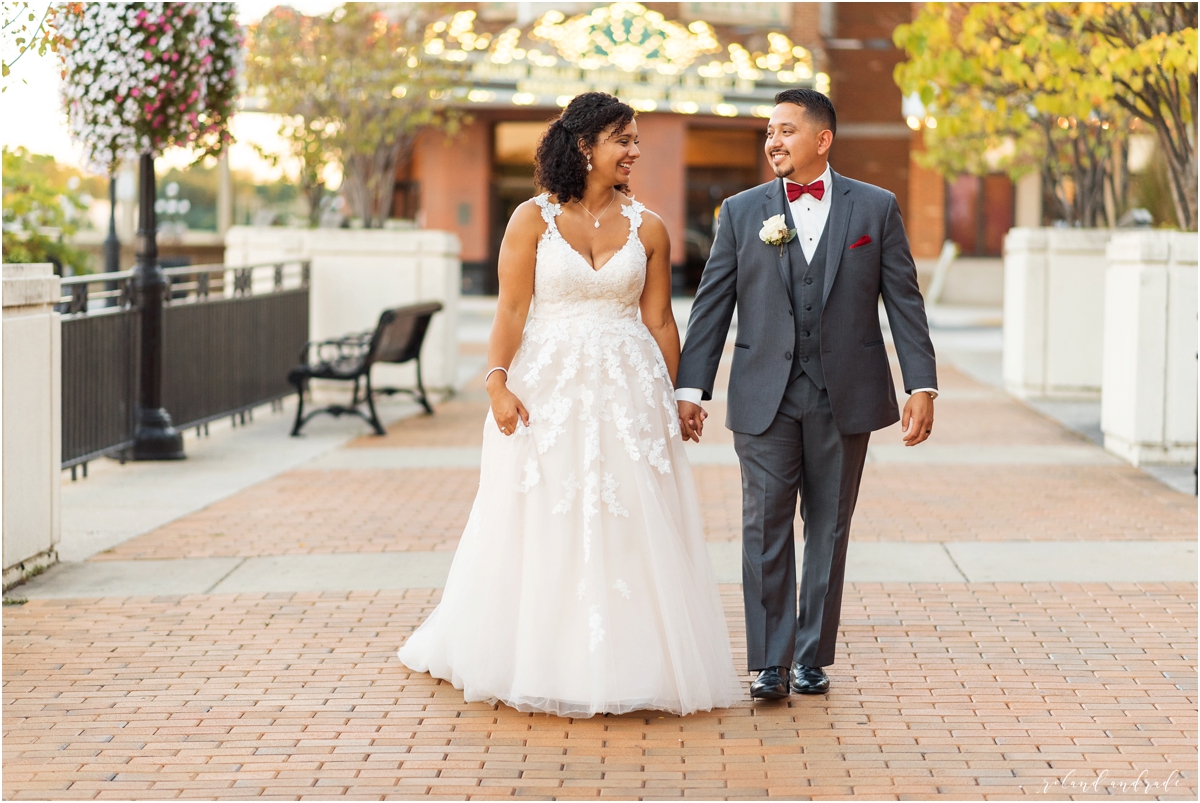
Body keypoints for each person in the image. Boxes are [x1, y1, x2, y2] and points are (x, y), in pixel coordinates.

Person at [397, 92, 742, 717]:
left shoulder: (652, 227)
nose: (635, 151)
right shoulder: (531, 219)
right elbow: (510, 309)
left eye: (636, 140)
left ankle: (632, 660)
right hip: (546, 392)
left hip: (630, 394)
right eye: (624, 140)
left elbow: (662, 320)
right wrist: (497, 382)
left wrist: (683, 395)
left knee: (631, 518)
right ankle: (536, 654)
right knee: (543, 513)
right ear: (585, 145)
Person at [675, 88, 938, 700]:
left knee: (828, 529)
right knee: (763, 527)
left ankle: (810, 656)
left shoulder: (875, 208)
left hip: (844, 395)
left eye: (786, 130)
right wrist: (693, 386)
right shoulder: (741, 212)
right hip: (764, 394)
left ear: (822, 139)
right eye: (769, 131)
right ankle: (770, 660)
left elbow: (904, 300)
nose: (773, 141)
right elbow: (712, 304)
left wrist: (920, 383)